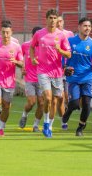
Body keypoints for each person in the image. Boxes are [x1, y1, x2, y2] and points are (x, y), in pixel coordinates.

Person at [30, 9, 71, 138]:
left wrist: (60, 50)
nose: (53, 20)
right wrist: (32, 58)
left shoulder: (62, 35)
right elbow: (32, 47)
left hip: (57, 72)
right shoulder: (39, 34)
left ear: (57, 20)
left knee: (55, 101)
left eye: (55, 18)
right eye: (50, 18)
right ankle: (46, 123)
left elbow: (69, 54)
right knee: (47, 97)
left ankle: (50, 125)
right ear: (46, 19)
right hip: (43, 71)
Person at [62, 17, 92, 136]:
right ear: (79, 27)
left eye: (89, 26)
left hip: (88, 77)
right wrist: (65, 67)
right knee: (75, 104)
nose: (88, 28)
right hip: (73, 77)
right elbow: (64, 57)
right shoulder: (70, 40)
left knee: (87, 104)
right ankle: (68, 111)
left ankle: (80, 128)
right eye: (85, 26)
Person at [0, 20, 23, 136]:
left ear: (11, 32)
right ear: (0, 33)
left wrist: (16, 61)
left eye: (7, 32)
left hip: (10, 81)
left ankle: (1, 128)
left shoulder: (16, 47)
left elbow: (22, 63)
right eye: (3, 32)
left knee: (7, 106)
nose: (5, 35)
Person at [18, 26, 43, 132]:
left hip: (42, 79)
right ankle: (24, 115)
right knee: (32, 102)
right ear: (33, 36)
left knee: (42, 103)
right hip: (30, 79)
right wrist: (22, 68)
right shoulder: (25, 46)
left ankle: (36, 125)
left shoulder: (44, 46)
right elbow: (19, 58)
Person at [57, 15, 74, 130]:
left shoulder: (69, 34)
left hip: (68, 68)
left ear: (63, 22)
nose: (58, 23)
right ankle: (63, 121)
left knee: (68, 97)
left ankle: (67, 111)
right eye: (56, 21)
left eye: (60, 21)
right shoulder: (51, 35)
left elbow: (72, 50)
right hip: (57, 69)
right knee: (60, 97)